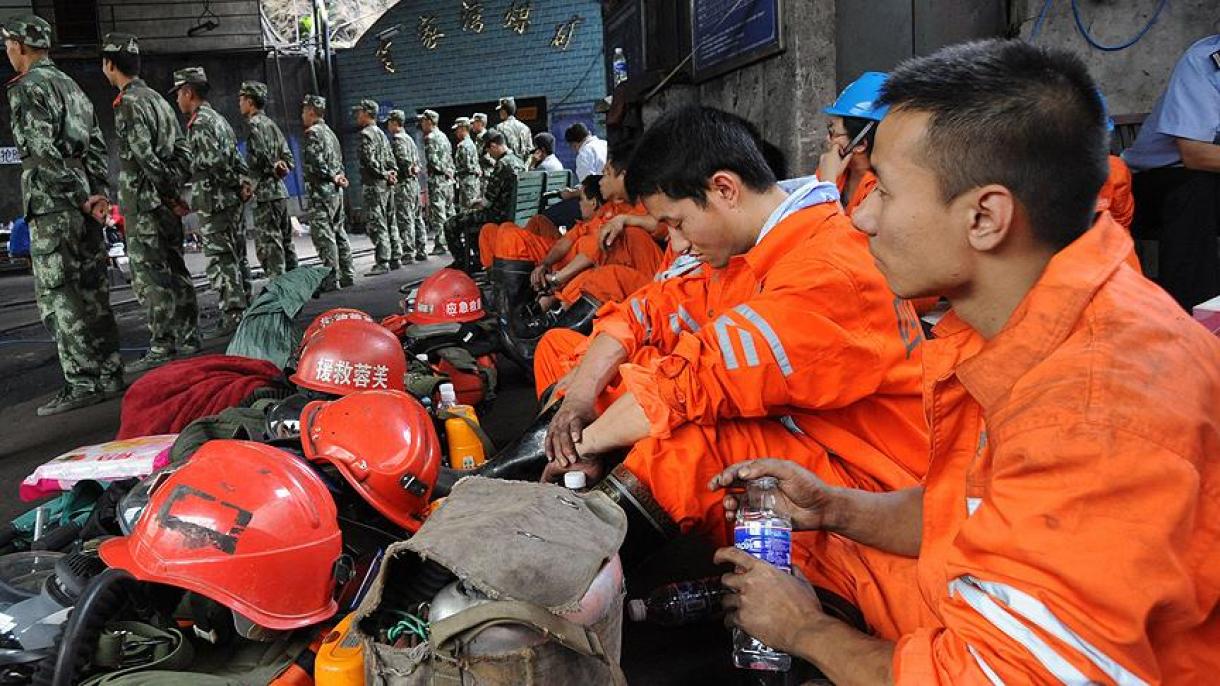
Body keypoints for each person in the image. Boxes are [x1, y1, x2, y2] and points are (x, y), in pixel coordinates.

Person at [712, 39, 1220, 685]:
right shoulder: (1034, 315)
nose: (861, 216)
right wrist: (837, 509)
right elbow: (973, 509)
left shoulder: (1093, 412)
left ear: (985, 216)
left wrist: (806, 631)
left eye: (885, 191)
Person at [544, 106, 929, 555]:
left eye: (678, 224)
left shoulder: (823, 270)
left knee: (685, 444)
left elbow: (690, 382)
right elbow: (650, 311)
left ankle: (565, 575)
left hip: (874, 487)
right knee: (606, 376)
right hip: (821, 450)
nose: (679, 245)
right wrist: (579, 401)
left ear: (724, 189)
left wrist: (577, 448)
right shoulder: (751, 254)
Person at [3, 15, 123, 415]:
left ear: (20, 45)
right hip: (86, 202)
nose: (7, 50)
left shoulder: (29, 88)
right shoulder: (72, 86)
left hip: (56, 206)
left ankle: (83, 382)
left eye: (8, 43)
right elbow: (94, 144)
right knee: (92, 289)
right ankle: (109, 373)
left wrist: (79, 197)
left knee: (60, 294)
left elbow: (41, 153)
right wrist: (98, 195)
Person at [102, 33, 200, 373]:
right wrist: (174, 193)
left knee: (149, 276)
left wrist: (165, 192)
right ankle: (189, 337)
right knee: (176, 269)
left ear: (109, 65)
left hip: (145, 206)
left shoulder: (127, 103)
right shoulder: (159, 100)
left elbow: (145, 159)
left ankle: (163, 344)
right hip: (166, 204)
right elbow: (183, 154)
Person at [1123, 33, 1220, 310]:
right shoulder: (1204, 62)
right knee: (1196, 189)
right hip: (1152, 186)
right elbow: (1195, 155)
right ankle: (1194, 315)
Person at [172, 67, 250, 335]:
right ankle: (245, 309)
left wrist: (231, 183)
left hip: (215, 201)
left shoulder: (201, 123)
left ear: (188, 92)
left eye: (178, 94)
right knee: (237, 255)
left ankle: (234, 314)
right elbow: (236, 159)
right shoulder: (219, 119)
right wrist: (241, 184)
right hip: (228, 200)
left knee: (221, 258)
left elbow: (213, 163)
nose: (177, 100)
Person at [239, 81, 297, 278]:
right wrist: (281, 167)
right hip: (280, 192)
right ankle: (297, 288)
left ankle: (279, 293)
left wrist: (250, 181)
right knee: (286, 243)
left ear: (250, 101)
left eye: (242, 99)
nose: (239, 103)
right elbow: (289, 159)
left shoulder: (253, 125)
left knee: (270, 248)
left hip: (264, 195)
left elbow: (258, 157)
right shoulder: (272, 125)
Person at [445, 130, 525, 270]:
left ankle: (462, 262)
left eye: (488, 150)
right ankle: (477, 258)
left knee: (451, 224)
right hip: (514, 213)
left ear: (494, 146)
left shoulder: (502, 164)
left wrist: (475, 203)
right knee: (472, 219)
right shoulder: (519, 161)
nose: (489, 155)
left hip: (498, 215)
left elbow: (488, 201)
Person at [301, 95, 353, 292]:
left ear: (311, 112)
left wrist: (331, 176)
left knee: (324, 235)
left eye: (304, 111)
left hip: (321, 192)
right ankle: (347, 273)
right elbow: (338, 161)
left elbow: (316, 164)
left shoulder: (312, 133)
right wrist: (339, 177)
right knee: (339, 230)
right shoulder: (331, 133)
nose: (302, 115)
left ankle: (331, 278)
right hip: (335, 192)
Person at [816, 72, 886, 217]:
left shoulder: (882, 192)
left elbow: (843, 238)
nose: (828, 139)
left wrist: (827, 186)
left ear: (860, 144)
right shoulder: (833, 168)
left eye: (833, 132)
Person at [354, 99, 399, 275]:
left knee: (376, 222)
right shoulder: (381, 134)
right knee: (390, 220)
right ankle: (395, 256)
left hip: (374, 185)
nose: (357, 116)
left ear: (367, 113)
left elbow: (369, 161)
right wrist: (391, 173)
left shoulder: (366, 134)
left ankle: (382, 261)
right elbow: (390, 158)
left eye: (359, 113)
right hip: (386, 185)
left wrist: (383, 174)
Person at [386, 110, 427, 262]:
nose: (388, 126)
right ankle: (421, 249)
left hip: (404, 184)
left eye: (390, 122)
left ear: (395, 123)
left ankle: (408, 252)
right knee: (417, 217)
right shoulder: (409, 139)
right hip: (414, 184)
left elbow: (403, 161)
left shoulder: (397, 140)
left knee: (405, 218)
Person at [420, 109, 456, 256]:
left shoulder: (431, 138)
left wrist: (443, 170)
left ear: (429, 121)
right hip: (447, 181)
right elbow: (449, 157)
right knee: (448, 210)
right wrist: (450, 171)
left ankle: (441, 243)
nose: (422, 124)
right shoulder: (444, 137)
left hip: (437, 179)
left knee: (438, 212)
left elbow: (433, 161)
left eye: (423, 121)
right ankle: (452, 238)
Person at [452, 116, 482, 212]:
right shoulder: (471, 143)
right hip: (473, 181)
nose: (456, 132)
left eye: (457, 129)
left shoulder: (463, 145)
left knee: (467, 209)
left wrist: (454, 172)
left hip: (466, 182)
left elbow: (467, 166)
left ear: (463, 129)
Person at [471, 112, 495, 194]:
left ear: (480, 123)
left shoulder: (481, 137)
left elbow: (480, 155)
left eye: (474, 123)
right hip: (489, 172)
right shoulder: (488, 134)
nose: (472, 125)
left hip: (484, 173)